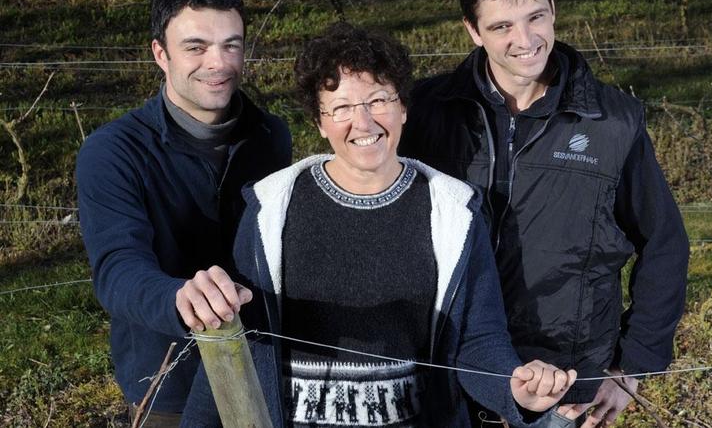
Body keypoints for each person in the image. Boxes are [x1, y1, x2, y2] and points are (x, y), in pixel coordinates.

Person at [178, 22, 578, 427]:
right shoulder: (272, 208)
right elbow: (234, 338)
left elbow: (478, 342)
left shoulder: (453, 212)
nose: (364, 122)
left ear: (404, 107)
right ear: (320, 122)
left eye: (378, 100)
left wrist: (516, 392)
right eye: (342, 107)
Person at [398, 0, 690, 428]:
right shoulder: (428, 112)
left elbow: (663, 241)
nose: (525, 38)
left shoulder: (612, 121)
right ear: (472, 30)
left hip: (564, 381)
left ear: (553, 7)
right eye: (501, 26)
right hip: (448, 370)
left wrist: (632, 364)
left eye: (536, 17)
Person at [76, 0, 292, 426]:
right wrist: (179, 297)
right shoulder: (113, 152)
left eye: (231, 45)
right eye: (196, 46)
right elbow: (117, 267)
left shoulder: (271, 136)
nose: (218, 62)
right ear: (161, 53)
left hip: (264, 366)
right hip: (167, 378)